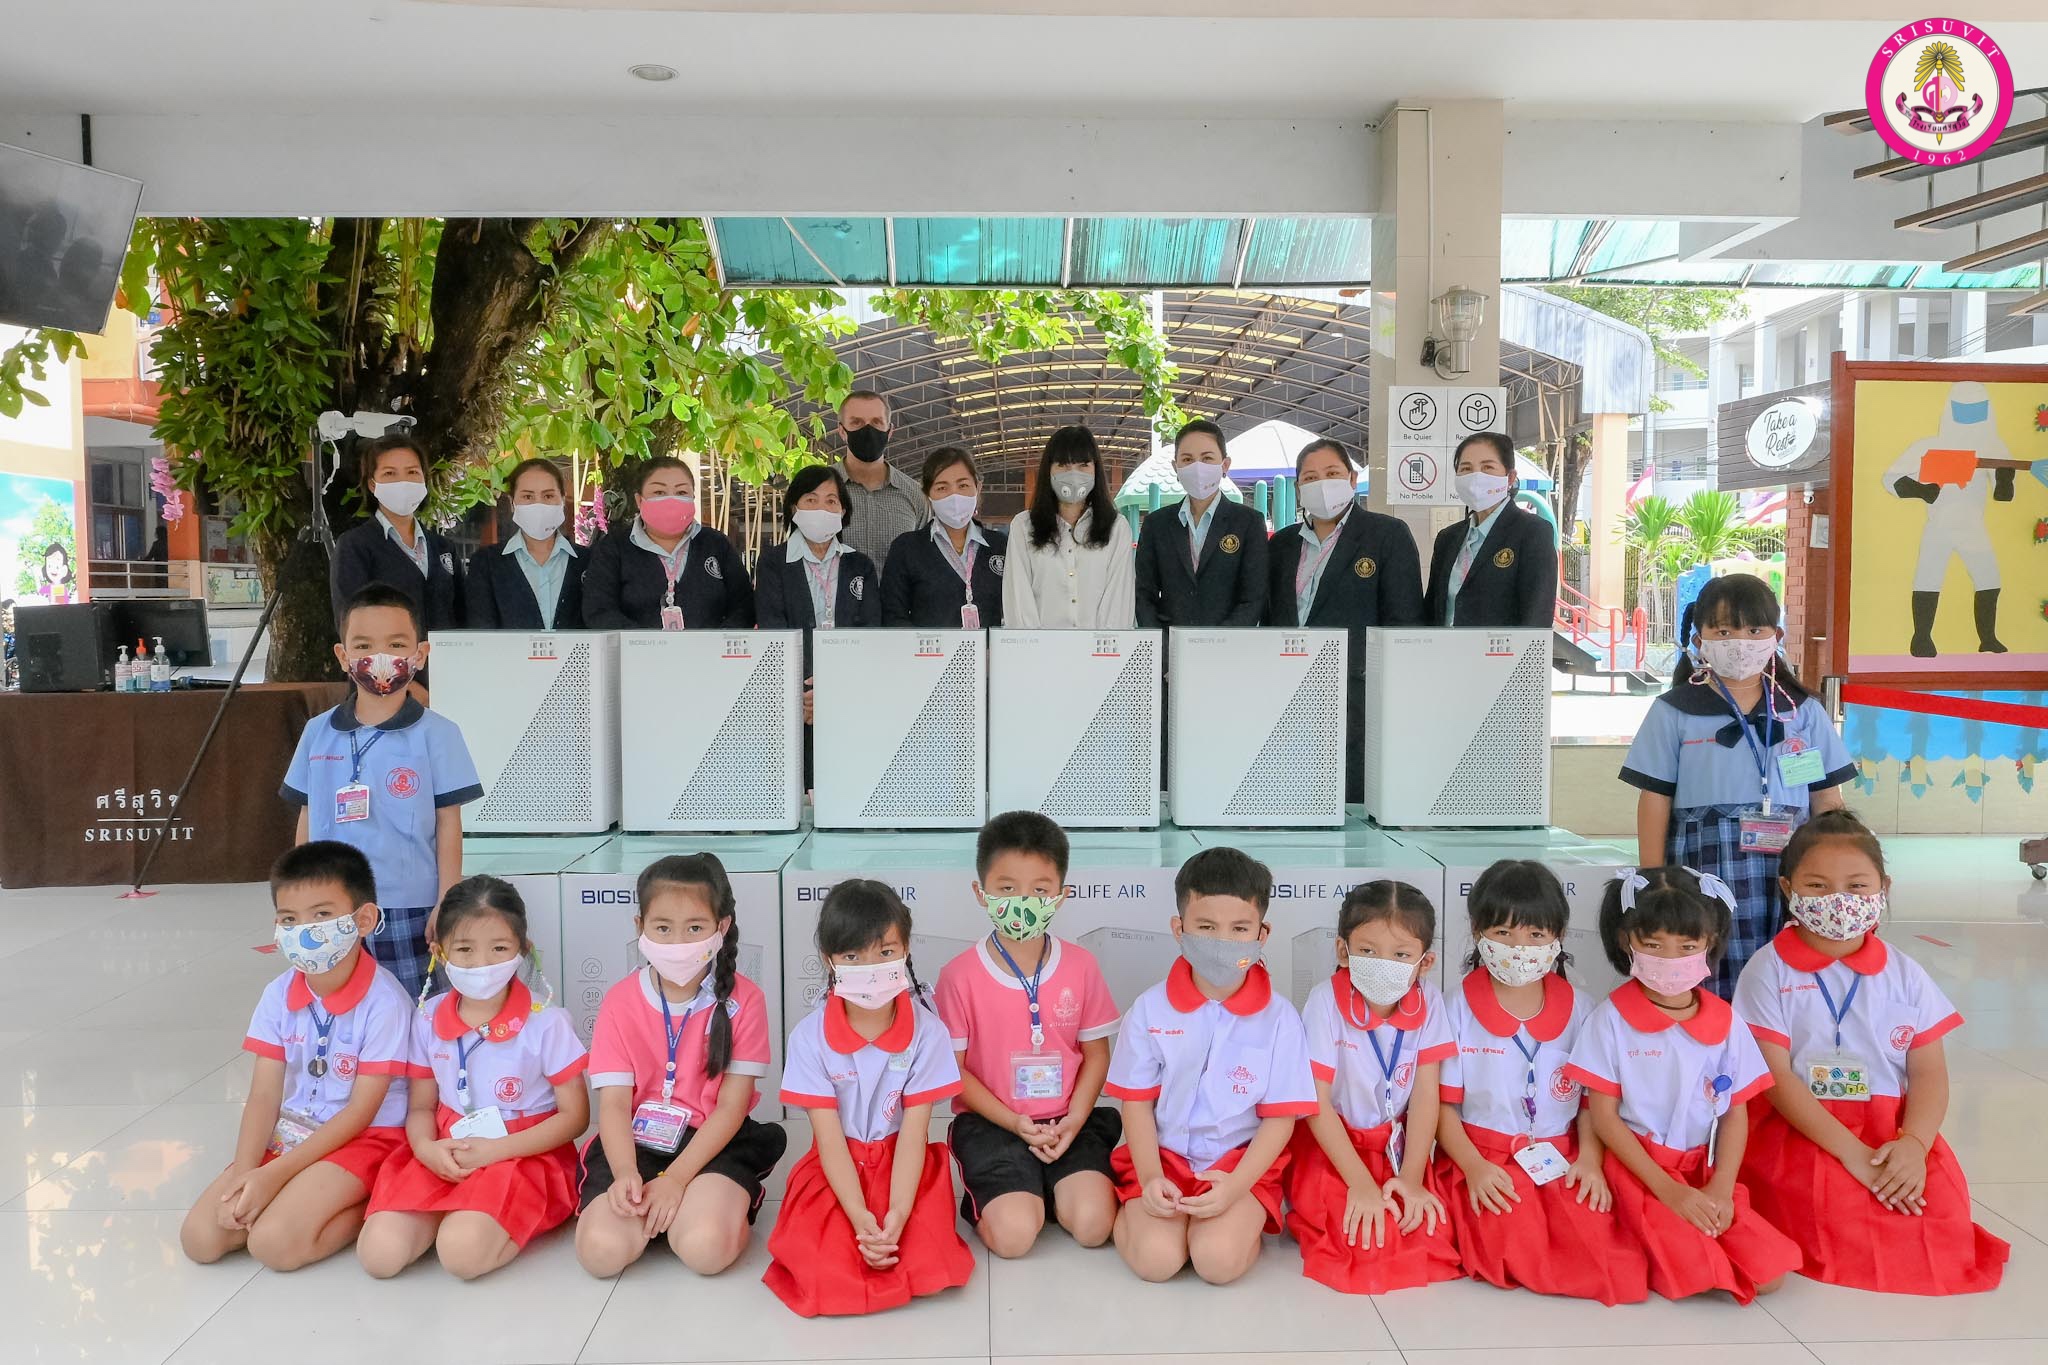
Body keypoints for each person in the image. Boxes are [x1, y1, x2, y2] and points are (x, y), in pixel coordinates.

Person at [1732, 811, 2008, 1293]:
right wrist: (1854, 1155)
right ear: (1788, 888)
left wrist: (1914, 1145)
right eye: (1817, 886)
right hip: (1803, 1124)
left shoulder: (1905, 973)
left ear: (1884, 888)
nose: (1838, 900)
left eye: (1857, 886)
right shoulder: (1767, 969)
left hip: (1888, 1127)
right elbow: (1775, 1077)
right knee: (1831, 1210)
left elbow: (1929, 1074)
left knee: (1939, 1216)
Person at [1564, 866, 1802, 1303]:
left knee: (1769, 1274)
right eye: (1653, 945)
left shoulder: (1727, 1021)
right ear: (1626, 941)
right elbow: (1603, 1117)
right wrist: (1668, 1190)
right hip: (1639, 1170)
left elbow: (1735, 1113)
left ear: (1711, 942)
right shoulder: (1609, 1020)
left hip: (1702, 1170)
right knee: (1702, 1270)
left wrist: (1722, 1188)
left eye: (1687, 946)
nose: (1670, 959)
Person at [181, 842, 416, 1271]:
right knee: (201, 1240)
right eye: (289, 919)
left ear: (363, 920)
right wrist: (245, 1176)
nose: (304, 930)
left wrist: (273, 1176)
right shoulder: (277, 994)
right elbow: (264, 1096)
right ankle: (293, 1194)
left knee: (273, 1244)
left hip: (366, 1138)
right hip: (294, 1130)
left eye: (322, 915)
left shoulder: (386, 1002)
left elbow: (362, 1112)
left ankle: (367, 1204)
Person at [1621, 573, 1855, 997]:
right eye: (1724, 631)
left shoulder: (1801, 711)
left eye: (1754, 631)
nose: (1740, 644)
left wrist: (1836, 864)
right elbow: (1654, 798)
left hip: (1790, 863)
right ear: (1699, 640)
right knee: (1711, 959)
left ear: (1776, 637)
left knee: (1787, 968)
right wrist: (1654, 878)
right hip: (1703, 863)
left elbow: (1826, 798)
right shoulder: (1674, 711)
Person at [357, 876, 589, 1280]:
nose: (482, 964)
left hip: (523, 1150)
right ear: (439, 951)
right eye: (464, 949)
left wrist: (495, 1152)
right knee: (379, 1255)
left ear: (523, 950)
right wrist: (426, 1148)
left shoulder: (547, 1021)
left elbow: (575, 1117)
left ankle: (474, 1217)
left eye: (499, 949)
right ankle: (454, 1209)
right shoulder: (427, 1016)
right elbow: (421, 1106)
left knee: (461, 1255)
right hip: (446, 1144)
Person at [1103, 847, 1316, 1285]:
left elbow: (1280, 1120)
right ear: (1178, 928)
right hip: (1163, 1158)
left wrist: (1235, 1188)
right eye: (1206, 927)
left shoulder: (1280, 1018)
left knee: (1216, 1262)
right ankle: (1137, 1215)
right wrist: (1151, 1177)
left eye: (1240, 929)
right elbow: (1136, 1104)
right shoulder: (1149, 1009)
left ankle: (1228, 1226)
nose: (1223, 941)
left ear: (1262, 933)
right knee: (1156, 1262)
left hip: (1240, 1164)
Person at [1435, 861, 1644, 1305]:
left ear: (1559, 937)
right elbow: (1442, 1107)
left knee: (1600, 1246)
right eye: (1503, 933)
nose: (1519, 949)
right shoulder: (1454, 1008)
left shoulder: (1583, 1009)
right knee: (1512, 1242)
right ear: (1477, 931)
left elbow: (1589, 1105)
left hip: (1560, 1157)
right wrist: (1474, 1168)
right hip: (1484, 1158)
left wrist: (1590, 1161)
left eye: (1535, 935)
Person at [765, 880, 973, 1316]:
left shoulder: (928, 1032)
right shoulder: (809, 1037)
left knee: (928, 1260)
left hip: (903, 1164)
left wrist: (898, 1212)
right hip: (837, 1165)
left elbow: (914, 1135)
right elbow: (828, 1141)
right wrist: (860, 1217)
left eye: (885, 952)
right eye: (852, 957)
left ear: (906, 949)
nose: (871, 968)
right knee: (823, 1270)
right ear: (829, 958)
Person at [574, 855, 787, 1278]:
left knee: (705, 1249)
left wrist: (675, 1180)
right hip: (636, 1141)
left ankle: (703, 1206)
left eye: (694, 928)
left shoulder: (746, 1000)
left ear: (721, 927)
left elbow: (731, 1108)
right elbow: (613, 1106)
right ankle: (660, 1211)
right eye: (662, 928)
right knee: (600, 1253)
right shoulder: (619, 1001)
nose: (677, 942)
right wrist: (625, 1173)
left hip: (713, 1141)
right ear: (640, 927)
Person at [934, 811, 1122, 1259]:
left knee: (1095, 1226)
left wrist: (1074, 1120)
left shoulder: (1081, 965)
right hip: (994, 1124)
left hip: (1067, 1120)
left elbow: (1097, 1054)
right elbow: (954, 1071)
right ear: (980, 893)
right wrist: (1015, 1122)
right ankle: (1008, 1196)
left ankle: (1043, 1187)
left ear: (1061, 895)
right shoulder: (958, 976)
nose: (1023, 901)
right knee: (1015, 1238)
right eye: (1007, 888)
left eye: (1039, 890)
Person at [281, 584, 483, 1000]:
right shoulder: (317, 732)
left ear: (420, 654)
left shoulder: (439, 734)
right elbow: (307, 815)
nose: (380, 656)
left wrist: (446, 901)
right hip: (330, 906)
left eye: (395, 644)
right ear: (343, 656)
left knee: (414, 1010)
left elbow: (449, 822)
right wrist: (301, 896)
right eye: (363, 645)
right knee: (341, 1009)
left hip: (408, 907)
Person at [1286, 880, 1462, 1294]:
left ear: (1425, 962)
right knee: (1364, 1240)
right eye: (1367, 951)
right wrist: (1361, 1184)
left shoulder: (1430, 1002)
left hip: (1396, 1151)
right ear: (1342, 950)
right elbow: (1316, 1102)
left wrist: (1413, 1178)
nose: (1384, 963)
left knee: (1430, 1232)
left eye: (1401, 955)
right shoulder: (1324, 1001)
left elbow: (1425, 1097)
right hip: (1334, 1149)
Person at [1264, 438, 1427, 802]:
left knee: (1352, 801)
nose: (1321, 483)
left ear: (1352, 479)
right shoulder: (1282, 545)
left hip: (1357, 700)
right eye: (1310, 478)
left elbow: (1404, 623)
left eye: (1332, 473)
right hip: (1290, 696)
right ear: (1298, 488)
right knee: (1295, 797)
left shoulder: (1386, 535)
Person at [1886, 380, 2017, 656]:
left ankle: (1988, 639)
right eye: (1964, 412)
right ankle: (1921, 638)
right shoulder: (1928, 447)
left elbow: (2004, 495)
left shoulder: (1993, 447)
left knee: (1989, 577)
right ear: (1951, 411)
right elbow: (1891, 478)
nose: (1970, 420)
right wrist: (1922, 491)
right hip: (1939, 526)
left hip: (1973, 528)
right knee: (1927, 577)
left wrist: (2005, 479)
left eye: (1976, 412)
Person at [754, 464, 883, 746]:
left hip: (851, 695)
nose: (821, 509)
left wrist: (835, 687)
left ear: (843, 511)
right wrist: (803, 692)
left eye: (831, 501)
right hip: (795, 701)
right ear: (794, 508)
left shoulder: (860, 566)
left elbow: (870, 631)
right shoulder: (773, 563)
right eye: (811, 500)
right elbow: (773, 631)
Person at [581, 456, 754, 630]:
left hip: (711, 647)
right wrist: (646, 642)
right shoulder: (613, 548)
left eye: (681, 492)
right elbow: (599, 610)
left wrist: (717, 640)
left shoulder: (716, 544)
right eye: (659, 492)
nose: (671, 500)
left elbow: (744, 605)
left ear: (693, 497)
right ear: (639, 500)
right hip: (634, 648)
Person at [1134, 420, 1269, 628]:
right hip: (1169, 643)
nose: (1197, 467)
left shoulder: (1249, 523)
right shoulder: (1156, 524)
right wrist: (1162, 640)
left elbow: (1253, 599)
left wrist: (1216, 641)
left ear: (1225, 465)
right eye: (1187, 459)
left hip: (1228, 644)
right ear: (1176, 467)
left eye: (1207, 458)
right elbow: (1144, 595)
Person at [329, 434, 464, 636]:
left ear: (424, 480)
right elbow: (350, 621)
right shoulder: (355, 546)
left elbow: (462, 613)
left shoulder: (443, 547)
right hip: (388, 656)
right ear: (372, 484)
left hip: (445, 656)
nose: (403, 481)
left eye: (412, 472)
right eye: (390, 473)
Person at [1002, 425, 1136, 629]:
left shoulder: (1117, 528)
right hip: (1040, 647)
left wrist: (1102, 647)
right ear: (1048, 470)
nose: (1073, 474)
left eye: (1083, 465)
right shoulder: (1023, 526)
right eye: (1063, 464)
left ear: (1095, 469)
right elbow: (1018, 599)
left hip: (1098, 648)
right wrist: (1032, 645)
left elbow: (1119, 602)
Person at [1424, 431, 1557, 629]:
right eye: (1466, 468)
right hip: (1444, 647)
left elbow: (1537, 616)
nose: (1476, 476)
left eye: (1487, 467)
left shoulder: (1533, 532)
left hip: (1503, 649)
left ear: (1510, 477)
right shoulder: (1448, 538)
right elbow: (1432, 609)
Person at [881, 447, 1008, 629]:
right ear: (927, 495)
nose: (954, 496)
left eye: (963, 485)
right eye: (942, 488)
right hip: (927, 647)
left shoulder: (1001, 546)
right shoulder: (906, 548)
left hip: (989, 647)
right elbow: (893, 615)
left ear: (978, 488)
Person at [463, 458, 585, 630]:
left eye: (548, 496)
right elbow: (481, 628)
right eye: (528, 496)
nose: (538, 504)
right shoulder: (486, 563)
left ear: (563, 500)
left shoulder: (590, 561)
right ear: (512, 502)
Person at [834, 389, 927, 571]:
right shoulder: (819, 489)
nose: (868, 430)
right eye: (856, 422)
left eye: (877, 422)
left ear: (890, 431)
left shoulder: (916, 495)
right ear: (842, 431)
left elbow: (924, 561)